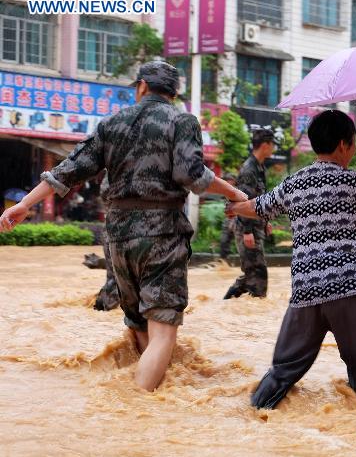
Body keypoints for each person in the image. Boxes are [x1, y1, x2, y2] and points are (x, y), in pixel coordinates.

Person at [0, 61, 248, 391]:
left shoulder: (111, 123)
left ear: (142, 86)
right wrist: (233, 192)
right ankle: (137, 411)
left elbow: (68, 171)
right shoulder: (182, 120)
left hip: (117, 237)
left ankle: (141, 401)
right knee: (163, 332)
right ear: (173, 93)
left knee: (140, 325)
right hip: (162, 234)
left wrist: (24, 204)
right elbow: (191, 175)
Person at [226, 109, 356, 409]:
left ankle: (249, 417)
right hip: (350, 289)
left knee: (282, 373)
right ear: (343, 145)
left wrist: (234, 207)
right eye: (353, 143)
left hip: (306, 292)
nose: (353, 149)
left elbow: (256, 207)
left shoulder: (294, 183)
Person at [224, 129, 276, 299]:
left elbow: (260, 200)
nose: (274, 147)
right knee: (258, 273)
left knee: (252, 272)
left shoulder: (259, 167)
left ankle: (228, 303)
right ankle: (252, 306)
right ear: (265, 145)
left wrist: (266, 221)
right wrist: (247, 232)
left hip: (256, 226)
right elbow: (243, 203)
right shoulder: (249, 169)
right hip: (247, 227)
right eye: (272, 144)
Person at [93, 172, 119, 311]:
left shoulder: (115, 164)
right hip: (117, 227)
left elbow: (104, 192)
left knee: (114, 274)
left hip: (114, 226)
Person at [218, 172, 238, 260]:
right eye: (227, 180)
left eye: (231, 180)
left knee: (244, 243)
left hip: (240, 219)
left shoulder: (239, 191)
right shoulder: (225, 191)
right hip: (228, 219)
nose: (229, 182)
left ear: (234, 181)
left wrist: (234, 220)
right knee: (224, 241)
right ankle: (223, 261)